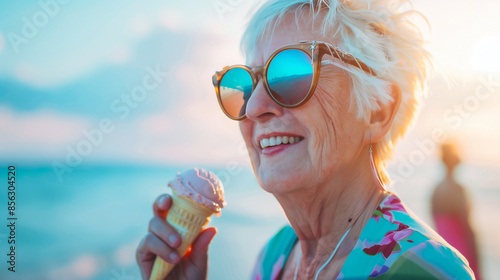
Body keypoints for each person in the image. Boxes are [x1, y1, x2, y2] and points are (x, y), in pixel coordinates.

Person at [136, 0, 476, 279]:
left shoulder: (425, 271)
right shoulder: (274, 258)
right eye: (245, 83)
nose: (254, 106)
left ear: (378, 111)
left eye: (291, 73)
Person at [432, 142, 481, 279]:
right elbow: (468, 229)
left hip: (444, 256)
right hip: (462, 256)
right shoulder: (458, 190)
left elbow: (435, 228)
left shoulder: (435, 191)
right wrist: (477, 263)